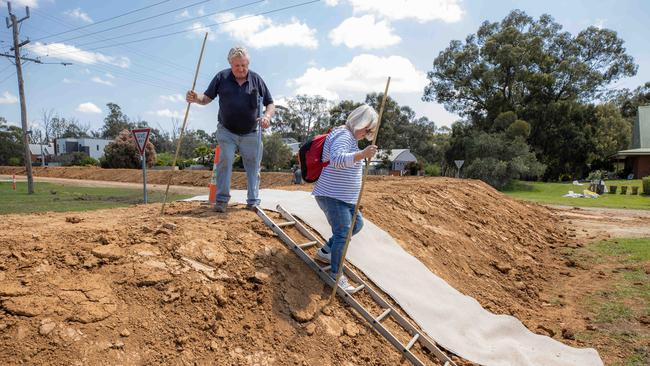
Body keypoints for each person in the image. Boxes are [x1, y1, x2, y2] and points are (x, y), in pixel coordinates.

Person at [186, 46, 274, 212]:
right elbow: (205, 98)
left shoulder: (256, 79)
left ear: (248, 63)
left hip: (252, 132)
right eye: (237, 66)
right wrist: (195, 98)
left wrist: (267, 117)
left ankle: (253, 201)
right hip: (227, 131)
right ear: (230, 64)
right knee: (225, 161)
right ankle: (221, 200)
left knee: (253, 166)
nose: (241, 69)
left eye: (244, 65)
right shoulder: (221, 77)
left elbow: (270, 103)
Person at [312, 104, 378, 292]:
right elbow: (338, 159)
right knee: (343, 232)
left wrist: (362, 154)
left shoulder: (351, 138)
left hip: (344, 197)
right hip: (332, 195)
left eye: (370, 131)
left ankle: (325, 252)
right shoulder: (343, 135)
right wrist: (362, 154)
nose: (367, 133)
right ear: (360, 122)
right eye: (367, 129)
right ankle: (335, 275)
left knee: (356, 226)